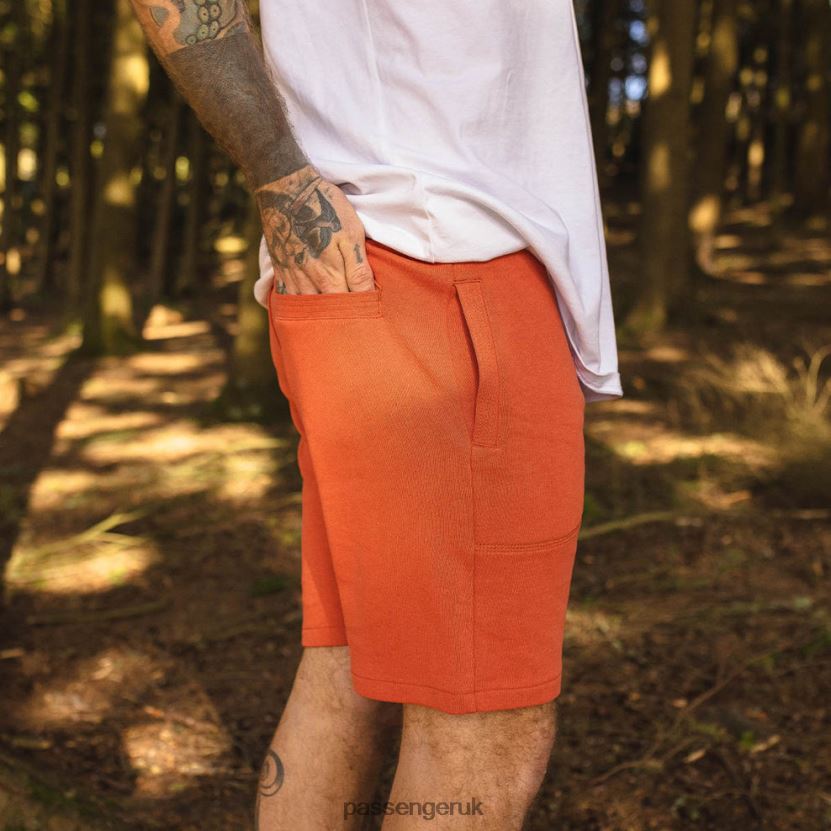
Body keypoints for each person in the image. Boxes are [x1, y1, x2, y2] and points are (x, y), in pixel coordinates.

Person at [130, 1, 623, 828]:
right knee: (487, 716)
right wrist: (282, 179)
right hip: (440, 262)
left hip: (399, 258)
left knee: (350, 666)